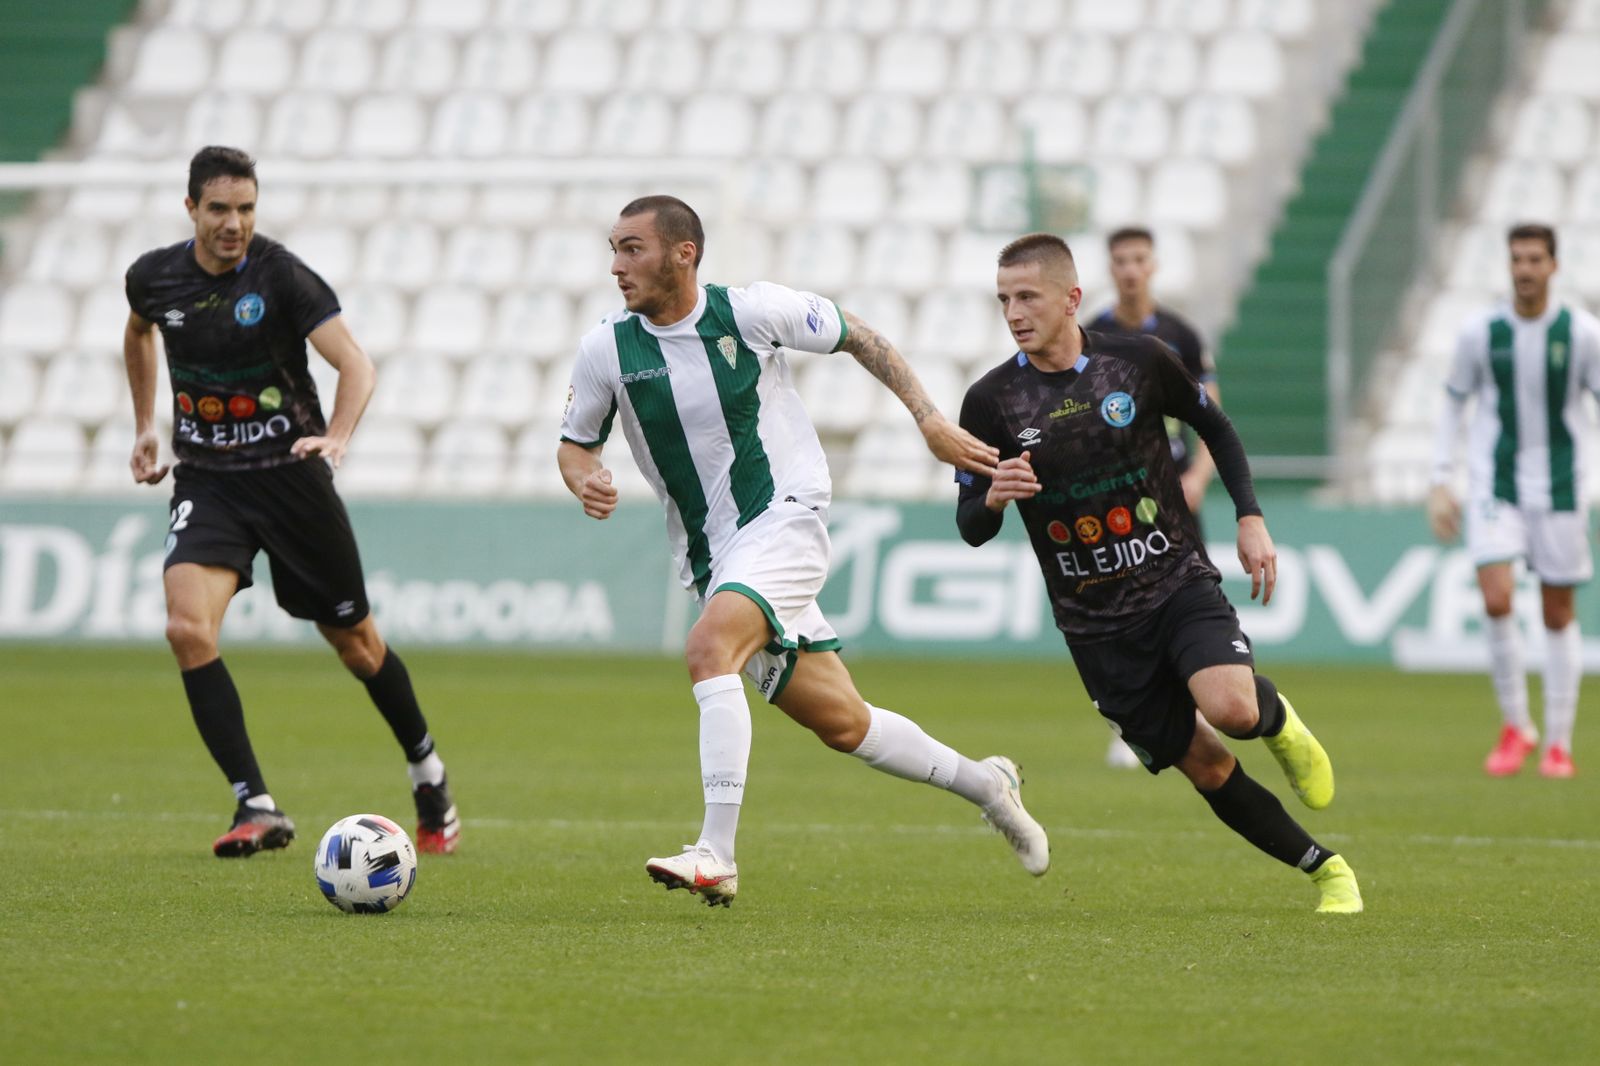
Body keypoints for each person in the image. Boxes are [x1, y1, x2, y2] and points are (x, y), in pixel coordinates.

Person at [557, 195, 1048, 907]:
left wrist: (929, 420)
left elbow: (860, 337)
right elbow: (575, 444)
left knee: (707, 651)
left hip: (784, 519)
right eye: (613, 248)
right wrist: (586, 479)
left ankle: (716, 855)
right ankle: (988, 784)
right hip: (713, 558)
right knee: (846, 723)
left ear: (682, 253)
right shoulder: (606, 347)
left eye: (632, 248)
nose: (616, 265)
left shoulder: (752, 313)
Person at [956, 232, 1361, 914]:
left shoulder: (1138, 361)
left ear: (1071, 299)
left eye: (1028, 296)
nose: (1015, 312)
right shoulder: (990, 401)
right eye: (1004, 300)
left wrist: (1250, 516)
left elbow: (1219, 428)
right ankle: (1327, 870)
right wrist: (992, 495)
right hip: (1095, 627)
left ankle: (1278, 722)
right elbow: (971, 524)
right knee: (1204, 766)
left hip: (1174, 579)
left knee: (1230, 709)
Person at [122, 146, 460, 857]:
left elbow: (355, 364)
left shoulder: (281, 276)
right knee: (187, 629)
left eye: (246, 209)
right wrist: (145, 426)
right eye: (219, 209)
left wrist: (336, 436)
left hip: (291, 478)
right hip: (209, 480)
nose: (234, 223)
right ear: (191, 209)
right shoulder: (154, 277)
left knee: (357, 644)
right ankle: (257, 803)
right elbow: (138, 329)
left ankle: (427, 769)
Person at [1428, 222, 1600, 779]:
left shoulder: (1582, 334)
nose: (1524, 269)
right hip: (1495, 484)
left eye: (1534, 260)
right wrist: (1439, 478)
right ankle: (1516, 726)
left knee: (1556, 613)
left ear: (1554, 266)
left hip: (1561, 486)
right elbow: (1454, 403)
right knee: (1497, 598)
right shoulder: (1481, 332)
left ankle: (1558, 741)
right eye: (1517, 259)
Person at [1091, 226, 1221, 768]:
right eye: (1120, 260)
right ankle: (1141, 722)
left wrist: (1198, 480)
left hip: (1176, 494)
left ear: (1154, 265)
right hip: (1119, 498)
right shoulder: (1090, 333)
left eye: (1138, 259)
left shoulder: (1181, 335)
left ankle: (1204, 705)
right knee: (1126, 610)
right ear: (1110, 266)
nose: (1129, 269)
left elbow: (1212, 418)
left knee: (1192, 601)